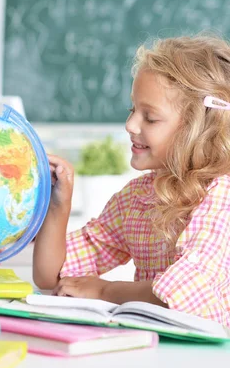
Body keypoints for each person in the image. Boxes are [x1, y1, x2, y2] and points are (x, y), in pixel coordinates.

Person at [33, 35, 230, 326]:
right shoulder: (138, 196)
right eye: (132, 110)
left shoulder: (222, 193)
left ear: (197, 128)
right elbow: (52, 277)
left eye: (150, 118)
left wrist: (105, 290)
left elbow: (184, 293)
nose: (130, 125)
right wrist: (58, 208)